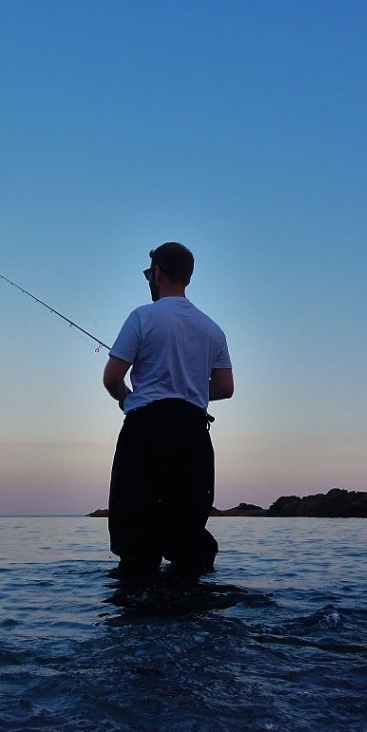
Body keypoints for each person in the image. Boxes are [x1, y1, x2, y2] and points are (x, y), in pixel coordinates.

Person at [102, 242, 234, 581]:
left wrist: (127, 398)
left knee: (136, 541)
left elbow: (112, 378)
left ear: (157, 273)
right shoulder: (212, 329)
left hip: (145, 431)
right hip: (193, 434)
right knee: (187, 537)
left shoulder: (142, 317)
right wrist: (186, 386)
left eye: (149, 273)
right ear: (187, 276)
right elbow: (224, 388)